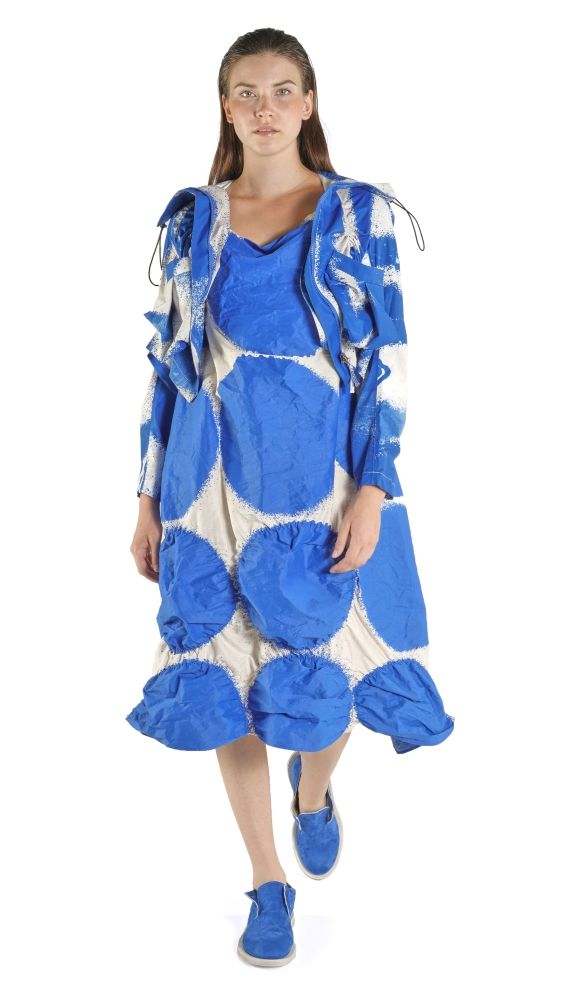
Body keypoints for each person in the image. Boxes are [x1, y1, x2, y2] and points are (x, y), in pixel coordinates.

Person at [127, 27, 455, 967]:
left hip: (326, 483)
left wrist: (375, 488)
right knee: (222, 675)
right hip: (207, 487)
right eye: (245, 92)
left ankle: (311, 790)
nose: (263, 108)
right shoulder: (194, 222)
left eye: (281, 90)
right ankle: (267, 878)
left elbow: (386, 359)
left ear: (308, 103)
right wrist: (146, 495)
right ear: (225, 108)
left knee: (330, 658)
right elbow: (166, 367)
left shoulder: (355, 215)